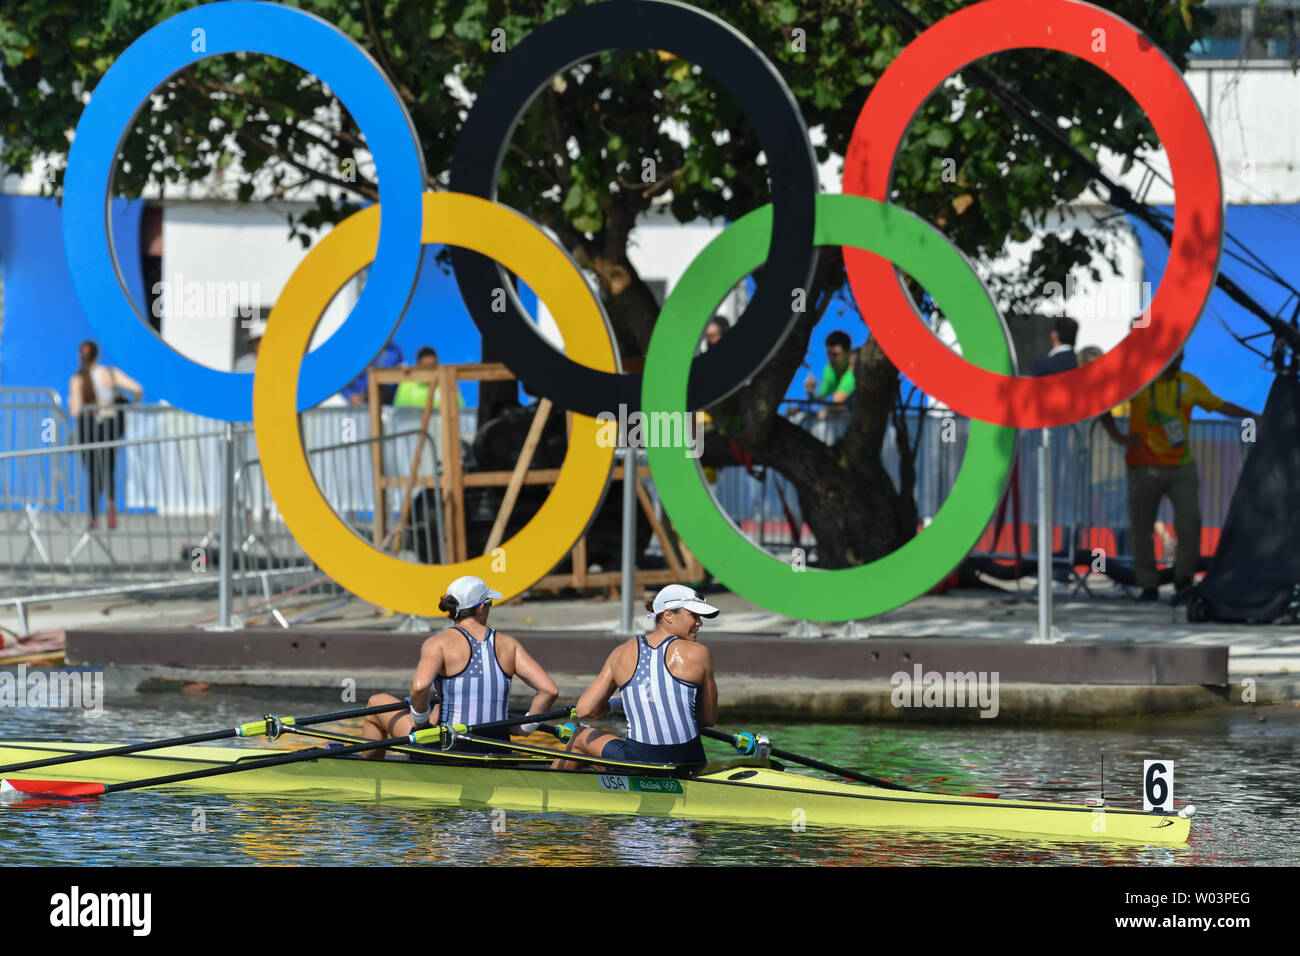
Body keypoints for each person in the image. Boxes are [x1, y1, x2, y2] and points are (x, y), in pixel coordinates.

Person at [1099, 352, 1257, 603]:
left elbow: (1219, 405)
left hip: (1181, 467)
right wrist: (1118, 437)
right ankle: (1148, 584)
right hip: (1143, 466)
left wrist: (1254, 416)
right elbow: (1104, 404)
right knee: (1140, 527)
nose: (1178, 361)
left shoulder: (1188, 382)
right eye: (1173, 356)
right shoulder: (1138, 381)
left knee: (1190, 522)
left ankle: (1184, 580)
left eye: (1181, 356)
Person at [361, 575, 558, 758]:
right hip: (499, 751)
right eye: (489, 604)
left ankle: (371, 774)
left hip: (447, 752)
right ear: (481, 608)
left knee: (376, 702)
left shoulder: (439, 643)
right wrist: (525, 728)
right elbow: (549, 690)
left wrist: (421, 724)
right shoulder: (510, 645)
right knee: (439, 704)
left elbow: (420, 687)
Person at [553, 584, 719, 772]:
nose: (699, 623)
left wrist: (617, 703)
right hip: (691, 762)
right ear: (668, 615)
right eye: (694, 616)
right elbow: (708, 719)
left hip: (640, 765)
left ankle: (551, 791)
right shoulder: (700, 653)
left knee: (580, 735)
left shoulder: (621, 653)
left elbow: (585, 710)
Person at [67, 341, 142, 530]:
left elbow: (75, 410)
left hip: (89, 429)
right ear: (97, 355)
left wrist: (72, 402)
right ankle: (110, 501)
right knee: (108, 470)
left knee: (93, 474)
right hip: (109, 427)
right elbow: (137, 389)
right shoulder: (109, 373)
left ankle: (93, 517)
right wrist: (130, 404)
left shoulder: (78, 379)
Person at [803, 330, 855, 419]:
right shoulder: (828, 369)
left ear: (848, 352)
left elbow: (837, 401)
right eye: (828, 354)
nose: (831, 359)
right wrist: (810, 395)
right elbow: (822, 401)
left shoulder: (855, 370)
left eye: (835, 355)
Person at [393, 346, 459, 409]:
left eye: (433, 367)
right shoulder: (407, 385)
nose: (429, 371)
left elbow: (459, 408)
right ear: (417, 366)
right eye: (425, 367)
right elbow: (401, 412)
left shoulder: (448, 384)